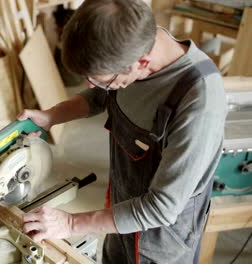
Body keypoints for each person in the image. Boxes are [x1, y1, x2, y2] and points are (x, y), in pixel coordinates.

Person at [19, 0, 227, 263]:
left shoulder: (199, 101)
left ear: (140, 63)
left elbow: (161, 208)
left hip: (161, 242)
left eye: (100, 80)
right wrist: (51, 116)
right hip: (120, 214)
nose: (92, 85)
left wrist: (71, 224)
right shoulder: (133, 41)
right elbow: (102, 97)